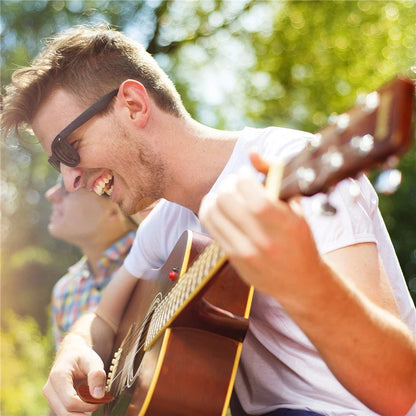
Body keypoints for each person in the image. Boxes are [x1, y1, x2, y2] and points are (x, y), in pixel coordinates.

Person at [1, 25, 416, 416]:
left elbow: (399, 388)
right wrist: (73, 346)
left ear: (133, 104)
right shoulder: (165, 226)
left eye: (69, 149)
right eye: (58, 164)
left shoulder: (287, 162)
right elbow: (105, 318)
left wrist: (302, 278)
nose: (69, 180)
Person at [44, 178, 138, 349]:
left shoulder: (162, 259)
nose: (51, 195)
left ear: (115, 209)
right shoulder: (64, 291)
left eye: (67, 187)